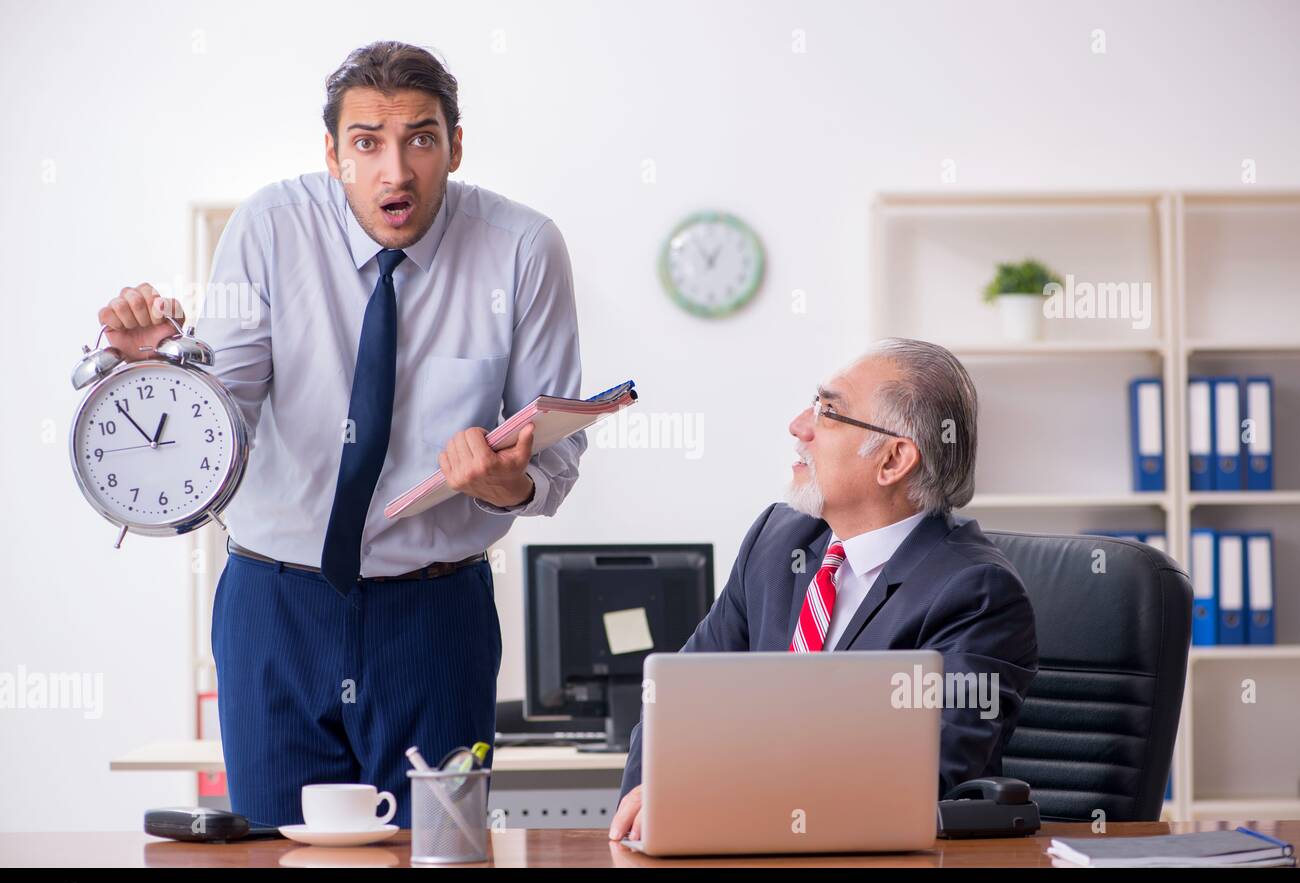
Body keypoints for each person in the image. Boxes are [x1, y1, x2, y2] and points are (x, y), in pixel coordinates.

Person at [95, 41, 585, 827]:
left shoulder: (523, 248)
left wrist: (506, 483)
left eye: (421, 138)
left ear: (456, 145)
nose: (396, 171)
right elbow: (225, 423)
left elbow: (552, 460)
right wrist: (162, 378)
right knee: (269, 845)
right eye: (366, 143)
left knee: (438, 849)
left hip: (436, 617)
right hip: (275, 605)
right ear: (331, 153)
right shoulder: (268, 228)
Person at [609, 338, 1038, 842]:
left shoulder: (976, 593)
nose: (799, 426)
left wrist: (709, 803)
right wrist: (643, 814)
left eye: (829, 411)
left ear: (893, 460)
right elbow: (675, 702)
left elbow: (916, 778)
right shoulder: (778, 539)